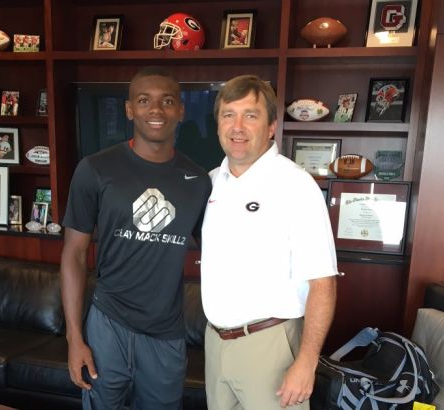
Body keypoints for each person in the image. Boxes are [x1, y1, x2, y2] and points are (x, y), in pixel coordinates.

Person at [60, 66, 211, 410]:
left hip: (167, 331)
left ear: (180, 110)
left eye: (167, 101)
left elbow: (218, 252)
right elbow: (73, 254)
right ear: (130, 110)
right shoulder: (95, 169)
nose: (156, 110)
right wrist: (74, 338)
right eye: (144, 101)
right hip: (107, 323)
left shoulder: (198, 180)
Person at [201, 74, 338, 410]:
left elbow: (323, 282)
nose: (237, 127)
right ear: (218, 124)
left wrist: (306, 362)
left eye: (251, 115)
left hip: (270, 344)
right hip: (215, 342)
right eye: (228, 115)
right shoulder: (210, 183)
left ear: (272, 126)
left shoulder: (295, 185)